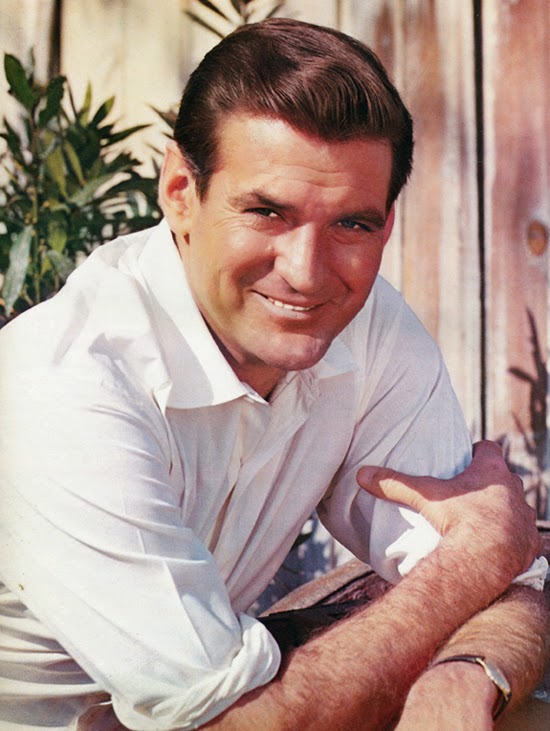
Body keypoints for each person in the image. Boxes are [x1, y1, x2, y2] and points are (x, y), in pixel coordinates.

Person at [0, 17, 547, 731]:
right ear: (179, 191)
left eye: (352, 224)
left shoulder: (368, 325)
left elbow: (516, 583)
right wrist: (476, 560)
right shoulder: (65, 386)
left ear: (387, 222)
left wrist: (467, 676)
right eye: (266, 211)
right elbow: (234, 723)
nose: (307, 272)